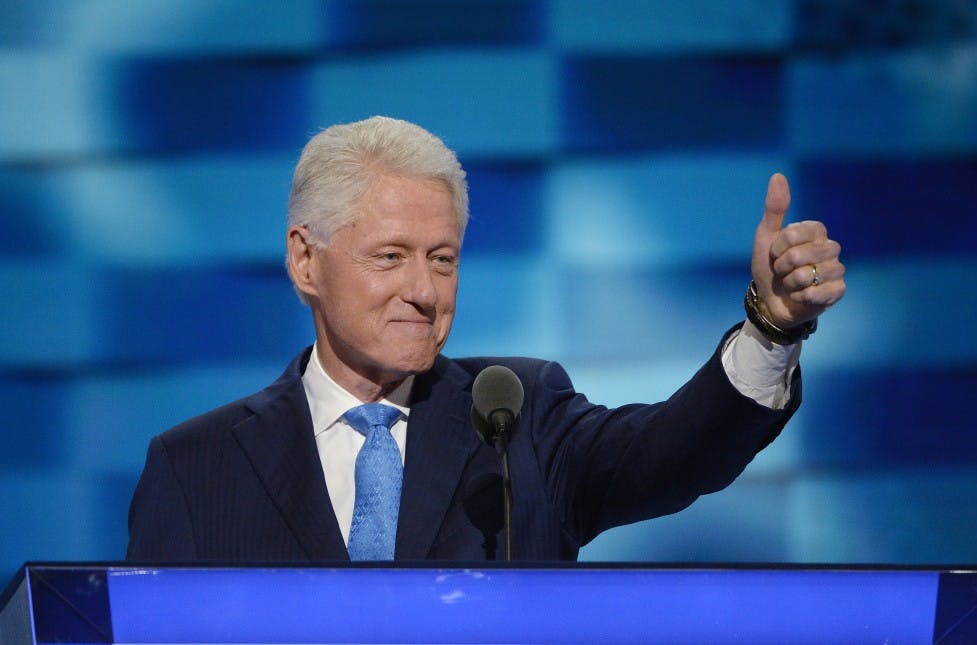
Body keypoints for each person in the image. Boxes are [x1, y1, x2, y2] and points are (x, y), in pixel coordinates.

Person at [126, 116, 845, 562]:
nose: (425, 289)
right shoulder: (197, 466)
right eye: (391, 255)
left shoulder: (518, 414)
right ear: (305, 260)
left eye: (443, 258)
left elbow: (669, 452)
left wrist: (771, 326)